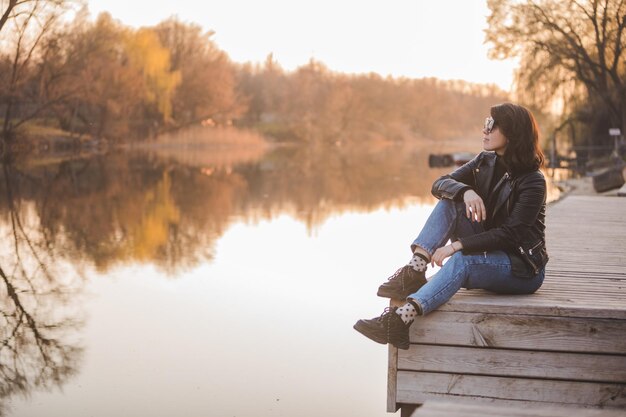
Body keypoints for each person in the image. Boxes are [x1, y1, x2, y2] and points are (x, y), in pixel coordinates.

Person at [353, 102, 549, 350]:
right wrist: (465, 191)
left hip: (521, 267)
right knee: (451, 202)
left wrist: (456, 246)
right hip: (490, 249)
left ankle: (401, 319)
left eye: (491, 125)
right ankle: (415, 269)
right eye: (484, 124)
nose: (484, 131)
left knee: (462, 260)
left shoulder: (533, 182)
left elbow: (511, 235)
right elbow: (440, 184)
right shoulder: (484, 162)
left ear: (512, 132)